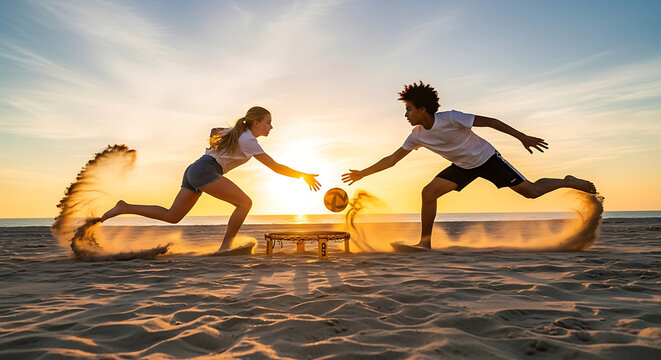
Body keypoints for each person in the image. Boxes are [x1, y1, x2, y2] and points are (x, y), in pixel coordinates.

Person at [342, 81, 596, 249]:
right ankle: (425, 243)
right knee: (428, 192)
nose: (405, 114)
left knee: (531, 192)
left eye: (408, 109)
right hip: (462, 166)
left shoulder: (452, 118)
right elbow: (393, 159)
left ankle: (568, 181)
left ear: (422, 108)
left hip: (487, 159)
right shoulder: (417, 135)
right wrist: (363, 173)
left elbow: (492, 122)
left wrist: (523, 138)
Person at [101, 106, 321, 254]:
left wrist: (218, 143)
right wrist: (303, 176)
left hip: (196, 168)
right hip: (206, 170)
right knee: (245, 203)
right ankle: (226, 247)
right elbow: (275, 166)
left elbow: (214, 130)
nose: (271, 127)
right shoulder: (249, 140)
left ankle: (124, 207)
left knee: (172, 216)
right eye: (268, 122)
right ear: (255, 123)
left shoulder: (238, 133)